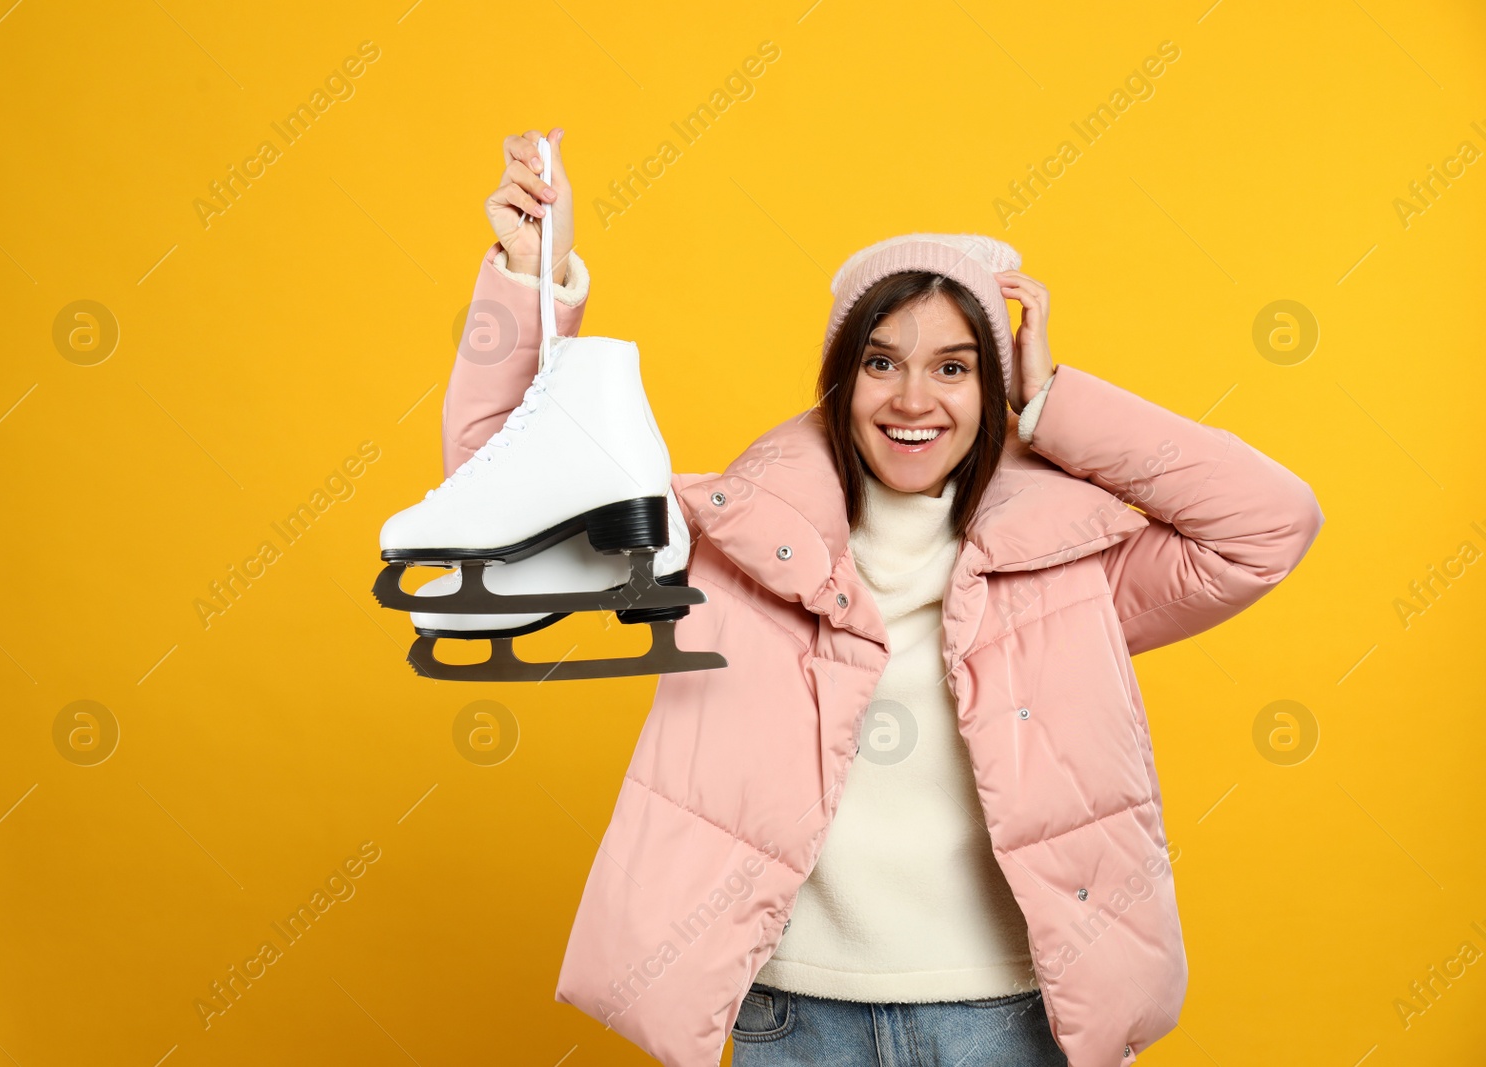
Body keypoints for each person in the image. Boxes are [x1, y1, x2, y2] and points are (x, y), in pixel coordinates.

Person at [447, 127, 1325, 1067]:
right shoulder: (736, 549)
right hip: (798, 1015)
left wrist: (1054, 401)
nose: (915, 399)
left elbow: (1270, 520)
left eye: (954, 367)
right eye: (880, 361)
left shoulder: (1074, 570)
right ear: (839, 381)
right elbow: (505, 513)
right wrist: (533, 279)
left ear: (991, 386)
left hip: (1013, 1017)